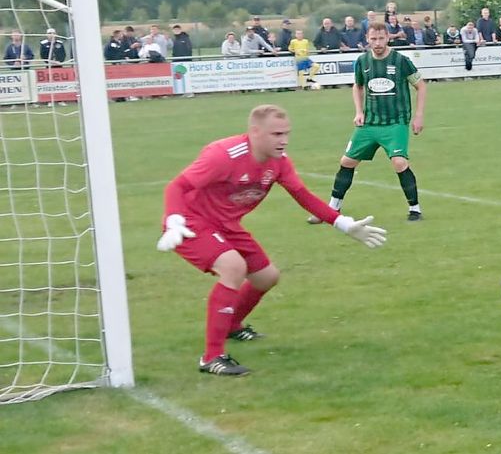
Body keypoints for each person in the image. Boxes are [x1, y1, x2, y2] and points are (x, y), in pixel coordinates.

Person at [156, 104, 387, 376]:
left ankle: (232, 324)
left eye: (286, 133)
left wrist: (343, 223)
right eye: (276, 134)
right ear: (255, 132)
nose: (284, 140)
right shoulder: (223, 155)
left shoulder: (279, 162)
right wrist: (173, 219)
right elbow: (177, 186)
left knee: (266, 277)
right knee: (233, 267)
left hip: (226, 225)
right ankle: (212, 357)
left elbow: (302, 195)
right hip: (189, 222)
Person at [308, 22, 427, 222]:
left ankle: (415, 209)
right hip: (370, 124)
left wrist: (419, 115)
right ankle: (331, 210)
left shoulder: (401, 60)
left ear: (388, 37)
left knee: (399, 162)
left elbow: (421, 86)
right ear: (367, 39)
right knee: (347, 161)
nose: (377, 43)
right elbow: (358, 86)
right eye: (373, 39)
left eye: (381, 38)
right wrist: (359, 111)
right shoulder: (362, 61)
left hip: (395, 123)